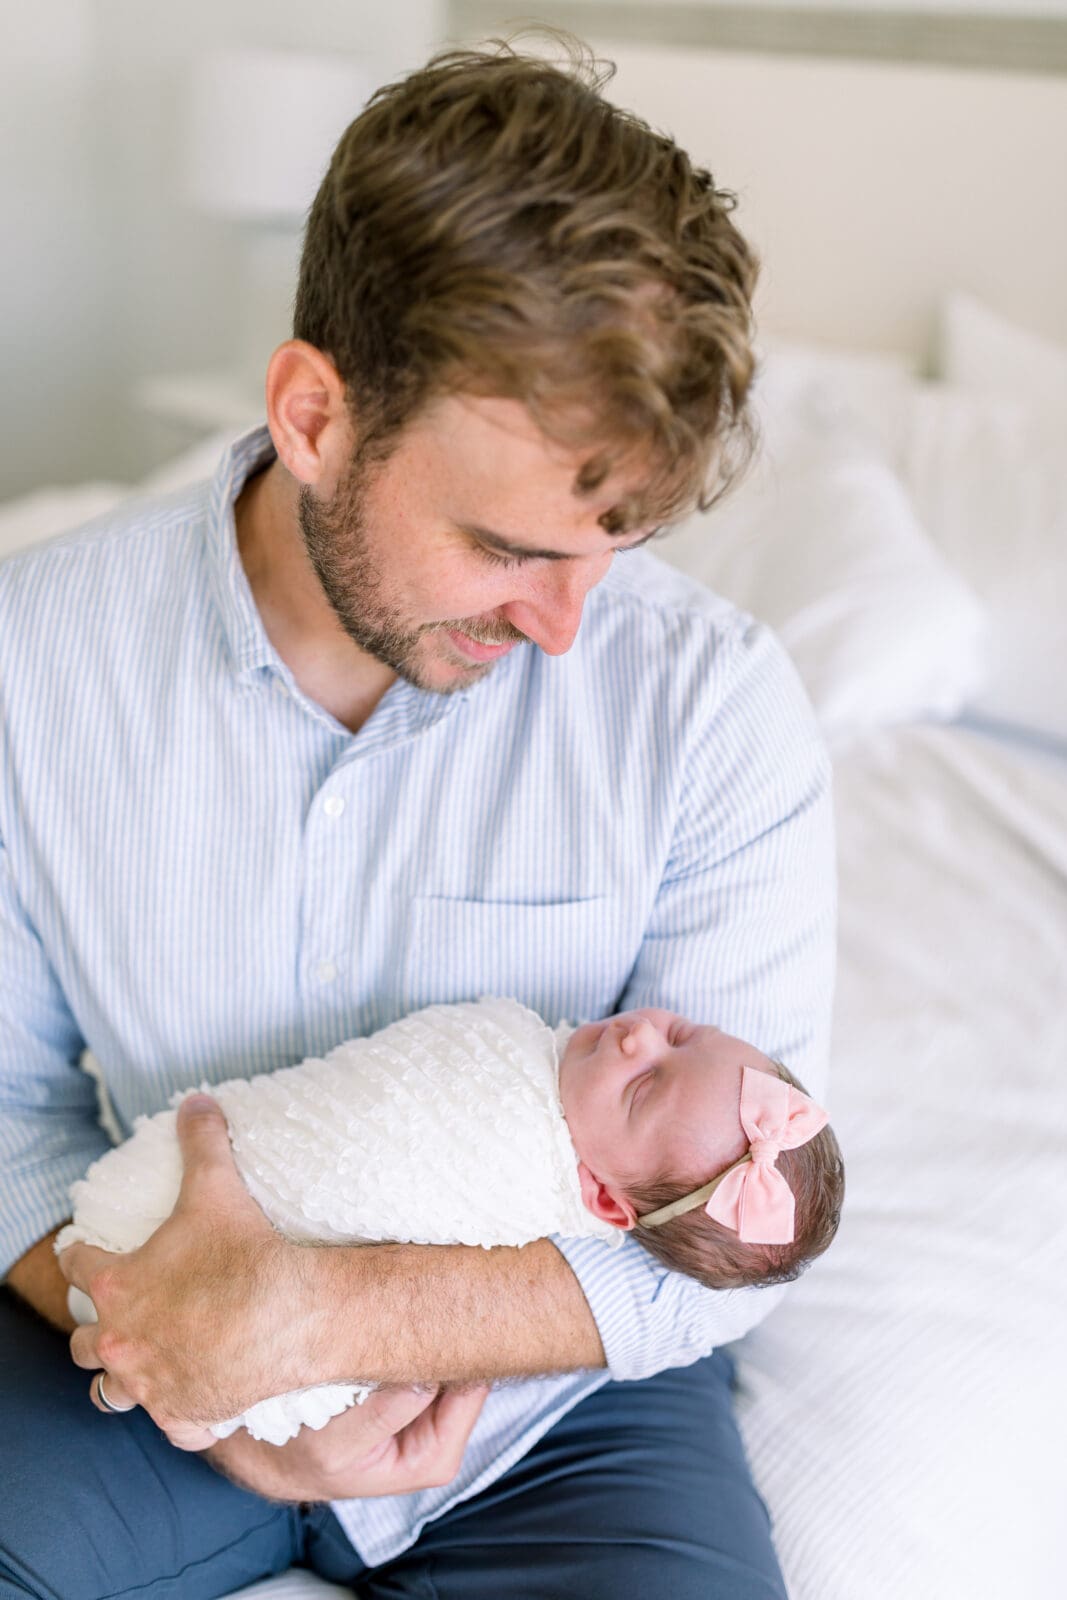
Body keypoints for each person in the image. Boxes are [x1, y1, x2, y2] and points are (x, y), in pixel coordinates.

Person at [0, 35, 835, 1600]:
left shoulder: (710, 707)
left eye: (614, 547)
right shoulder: (27, 668)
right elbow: (0, 1113)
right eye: (507, 545)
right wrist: (188, 1347)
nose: (569, 627)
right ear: (315, 415)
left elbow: (730, 1242)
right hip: (128, 1334)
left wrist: (320, 1324)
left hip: (556, 1416)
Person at [57, 998, 843, 1444]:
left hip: (543, 1442)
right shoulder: (517, 1053)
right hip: (122, 1267)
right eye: (681, 1034)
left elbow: (383, 1174)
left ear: (604, 1202)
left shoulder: (514, 1170)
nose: (637, 1035)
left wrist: (299, 1329)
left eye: (642, 1089)